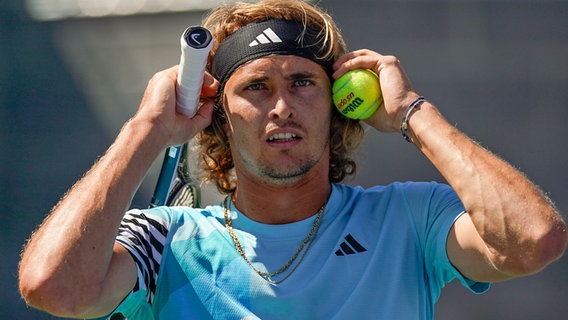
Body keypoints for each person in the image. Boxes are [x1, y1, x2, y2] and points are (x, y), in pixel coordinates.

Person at [18, 0, 566, 319]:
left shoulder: (411, 221)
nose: (282, 107)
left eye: (303, 82)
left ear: (338, 106)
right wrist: (145, 130)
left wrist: (412, 113)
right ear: (219, 115)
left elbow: (534, 241)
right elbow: (52, 288)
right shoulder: (161, 238)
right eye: (256, 87)